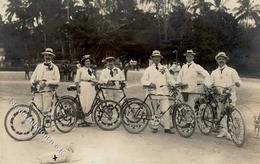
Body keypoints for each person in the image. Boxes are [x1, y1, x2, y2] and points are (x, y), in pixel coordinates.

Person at [141, 50, 175, 134]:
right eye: (155, 57)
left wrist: (175, 84)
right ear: (152, 58)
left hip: (163, 92)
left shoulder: (164, 68)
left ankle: (167, 128)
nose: (156, 59)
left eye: (158, 57)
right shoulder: (148, 69)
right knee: (155, 111)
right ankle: (155, 127)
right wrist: (149, 83)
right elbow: (143, 80)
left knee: (166, 110)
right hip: (153, 92)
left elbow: (170, 79)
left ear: (160, 58)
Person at [210, 52, 241, 139]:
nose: (221, 60)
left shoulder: (231, 70)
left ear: (226, 60)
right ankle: (224, 131)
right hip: (219, 96)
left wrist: (238, 83)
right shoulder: (214, 72)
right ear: (217, 60)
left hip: (230, 96)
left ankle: (232, 133)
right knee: (221, 113)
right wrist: (210, 86)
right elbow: (209, 82)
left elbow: (238, 80)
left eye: (223, 59)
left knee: (231, 113)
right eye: (219, 59)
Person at [30, 48, 60, 132]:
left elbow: (57, 80)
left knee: (46, 109)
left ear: (52, 57)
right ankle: (38, 126)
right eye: (46, 55)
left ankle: (45, 127)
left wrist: (46, 83)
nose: (47, 57)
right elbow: (32, 77)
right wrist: (33, 82)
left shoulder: (55, 67)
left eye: (49, 55)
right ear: (43, 56)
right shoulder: (39, 66)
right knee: (38, 108)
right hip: (38, 91)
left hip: (48, 91)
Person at [74, 55, 97, 127]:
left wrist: (95, 82)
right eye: (86, 61)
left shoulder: (91, 70)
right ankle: (82, 120)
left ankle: (88, 119)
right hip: (84, 86)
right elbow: (77, 80)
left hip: (91, 87)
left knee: (90, 102)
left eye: (89, 61)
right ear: (83, 63)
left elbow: (94, 79)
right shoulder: (80, 70)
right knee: (84, 102)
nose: (88, 63)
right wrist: (78, 88)